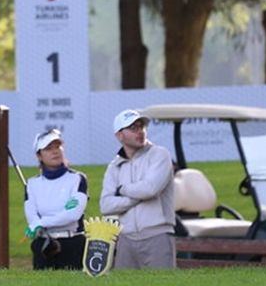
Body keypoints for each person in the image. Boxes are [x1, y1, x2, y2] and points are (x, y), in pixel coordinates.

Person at [99, 109, 176, 270]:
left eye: (142, 127)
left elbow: (150, 189)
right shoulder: (114, 166)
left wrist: (122, 190)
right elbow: (105, 205)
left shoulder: (160, 154)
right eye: (133, 128)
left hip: (157, 235)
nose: (140, 132)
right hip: (125, 238)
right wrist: (136, 197)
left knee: (161, 281)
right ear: (119, 135)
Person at [22, 129, 89, 270]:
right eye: (48, 148)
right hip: (44, 245)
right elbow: (32, 218)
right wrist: (37, 224)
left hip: (73, 244)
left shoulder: (77, 178)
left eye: (58, 146)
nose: (55, 151)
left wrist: (41, 222)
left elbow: (72, 214)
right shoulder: (31, 184)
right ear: (39, 155)